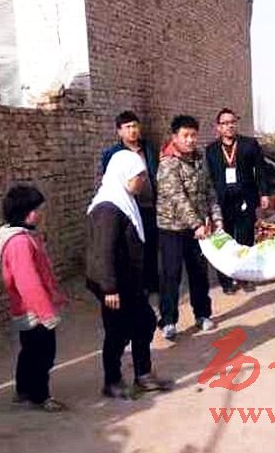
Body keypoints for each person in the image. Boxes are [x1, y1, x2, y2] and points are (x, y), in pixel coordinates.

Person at [86, 150, 172, 398]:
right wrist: (109, 288)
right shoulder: (108, 208)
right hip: (114, 284)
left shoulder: (125, 200)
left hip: (129, 281)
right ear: (123, 174)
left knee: (143, 323)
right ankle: (112, 381)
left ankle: (143, 374)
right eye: (139, 176)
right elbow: (103, 251)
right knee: (117, 331)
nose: (143, 180)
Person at [0, 185, 67, 412]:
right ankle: (40, 395)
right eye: (36, 209)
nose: (40, 213)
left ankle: (23, 389)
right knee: (43, 354)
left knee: (29, 351)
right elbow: (28, 282)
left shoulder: (23, 236)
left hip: (29, 307)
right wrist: (46, 313)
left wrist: (55, 295)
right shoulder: (20, 242)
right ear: (23, 212)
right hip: (33, 310)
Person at [156, 115, 223, 341]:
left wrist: (216, 218)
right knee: (171, 274)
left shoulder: (200, 159)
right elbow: (177, 198)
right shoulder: (168, 163)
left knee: (199, 273)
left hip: (199, 229)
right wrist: (197, 224)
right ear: (174, 137)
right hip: (172, 228)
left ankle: (202, 314)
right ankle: (168, 320)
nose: (190, 140)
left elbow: (209, 190)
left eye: (193, 135)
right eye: (185, 135)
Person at [206, 108, 271, 294]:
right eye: (225, 123)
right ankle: (226, 281)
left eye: (232, 122)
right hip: (222, 201)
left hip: (245, 198)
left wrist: (264, 193)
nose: (229, 126)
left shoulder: (249, 144)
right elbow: (209, 178)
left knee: (245, 238)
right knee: (224, 240)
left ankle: (245, 278)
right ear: (218, 127)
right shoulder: (211, 150)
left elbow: (261, 170)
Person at [98, 111, 160, 293]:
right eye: (127, 127)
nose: (132, 130)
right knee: (132, 247)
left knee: (151, 244)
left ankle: (152, 282)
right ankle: (136, 284)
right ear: (119, 131)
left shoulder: (149, 149)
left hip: (149, 205)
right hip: (128, 207)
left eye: (135, 126)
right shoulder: (113, 154)